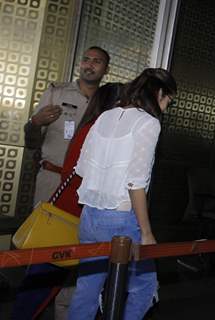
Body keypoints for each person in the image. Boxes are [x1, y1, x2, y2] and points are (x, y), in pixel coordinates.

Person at [68, 68, 177, 320]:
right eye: (168, 99)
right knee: (144, 288)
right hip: (121, 218)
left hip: (89, 217)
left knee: (87, 289)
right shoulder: (148, 123)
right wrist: (147, 233)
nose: (167, 105)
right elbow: (135, 183)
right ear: (159, 92)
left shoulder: (104, 116)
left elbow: (82, 168)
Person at [11, 83, 124, 320]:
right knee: (44, 280)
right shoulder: (97, 131)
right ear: (113, 105)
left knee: (52, 281)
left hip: (75, 209)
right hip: (72, 211)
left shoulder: (92, 128)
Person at [25, 46, 110, 206]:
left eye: (97, 61)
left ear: (106, 69)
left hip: (87, 186)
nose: (89, 65)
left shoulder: (108, 103)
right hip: (52, 179)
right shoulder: (56, 93)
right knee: (45, 229)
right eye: (86, 60)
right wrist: (35, 122)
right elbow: (31, 142)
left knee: (77, 231)